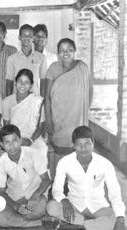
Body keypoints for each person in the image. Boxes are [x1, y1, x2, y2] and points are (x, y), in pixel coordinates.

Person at [47, 126, 126, 230]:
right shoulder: (65, 162)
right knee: (51, 207)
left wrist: (120, 218)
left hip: (97, 206)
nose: (83, 148)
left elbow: (114, 192)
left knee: (120, 221)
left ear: (93, 143)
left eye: (87, 143)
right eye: (79, 144)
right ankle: (91, 225)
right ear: (73, 145)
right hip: (74, 205)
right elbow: (56, 188)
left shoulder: (105, 164)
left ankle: (79, 226)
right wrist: (65, 202)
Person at [44, 38, 93, 179]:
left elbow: (89, 92)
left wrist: (81, 111)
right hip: (58, 119)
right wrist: (48, 119)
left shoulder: (82, 67)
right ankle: (59, 183)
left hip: (77, 120)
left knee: (78, 150)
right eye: (62, 50)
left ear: (74, 50)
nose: (66, 53)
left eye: (69, 49)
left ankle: (77, 183)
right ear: (58, 52)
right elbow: (47, 96)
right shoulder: (53, 68)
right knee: (58, 152)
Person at [0, 124, 50, 228]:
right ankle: (33, 223)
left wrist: (35, 195)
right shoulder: (0, 163)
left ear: (21, 140)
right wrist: (16, 207)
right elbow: (1, 192)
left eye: (15, 140)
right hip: (15, 197)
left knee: (37, 210)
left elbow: (46, 180)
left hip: (35, 195)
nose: (12, 145)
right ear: (1, 145)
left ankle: (18, 221)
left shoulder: (34, 153)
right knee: (0, 218)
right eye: (7, 142)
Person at [3, 69, 47, 158]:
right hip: (13, 137)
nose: (22, 85)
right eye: (20, 81)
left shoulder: (37, 101)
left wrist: (30, 141)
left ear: (31, 85)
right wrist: (17, 140)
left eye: (26, 82)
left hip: (33, 137)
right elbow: (6, 128)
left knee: (42, 151)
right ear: (15, 83)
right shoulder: (7, 101)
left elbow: (40, 127)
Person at [5, 24, 46, 97]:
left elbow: (43, 82)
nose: (27, 38)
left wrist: (42, 100)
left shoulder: (41, 58)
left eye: (29, 36)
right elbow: (9, 83)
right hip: (17, 101)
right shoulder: (12, 59)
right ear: (19, 37)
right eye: (24, 35)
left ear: (33, 38)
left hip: (34, 100)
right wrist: (10, 101)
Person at [33, 24, 58, 97]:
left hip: (47, 96)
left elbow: (55, 79)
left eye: (43, 36)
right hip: (31, 97)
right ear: (33, 38)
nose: (40, 38)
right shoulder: (28, 57)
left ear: (46, 39)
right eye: (37, 36)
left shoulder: (52, 57)